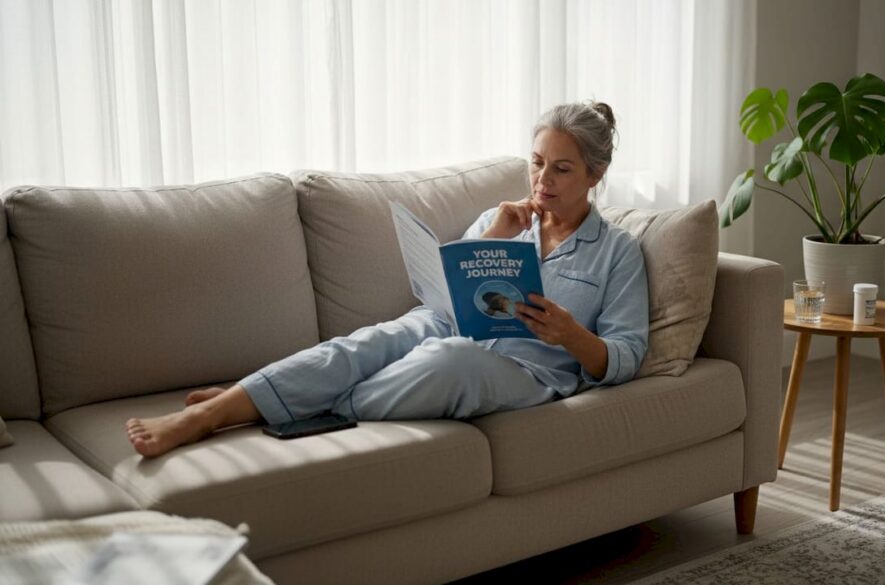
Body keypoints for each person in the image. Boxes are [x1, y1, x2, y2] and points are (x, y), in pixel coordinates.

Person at [126, 101, 649, 458]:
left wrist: (572, 336)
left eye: (561, 169)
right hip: (447, 326)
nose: (542, 180)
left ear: (594, 176)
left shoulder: (617, 252)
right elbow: (447, 296)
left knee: (454, 360)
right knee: (367, 344)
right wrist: (495, 231)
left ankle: (289, 398)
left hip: (527, 372)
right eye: (536, 163)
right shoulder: (507, 217)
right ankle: (219, 410)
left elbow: (627, 353)